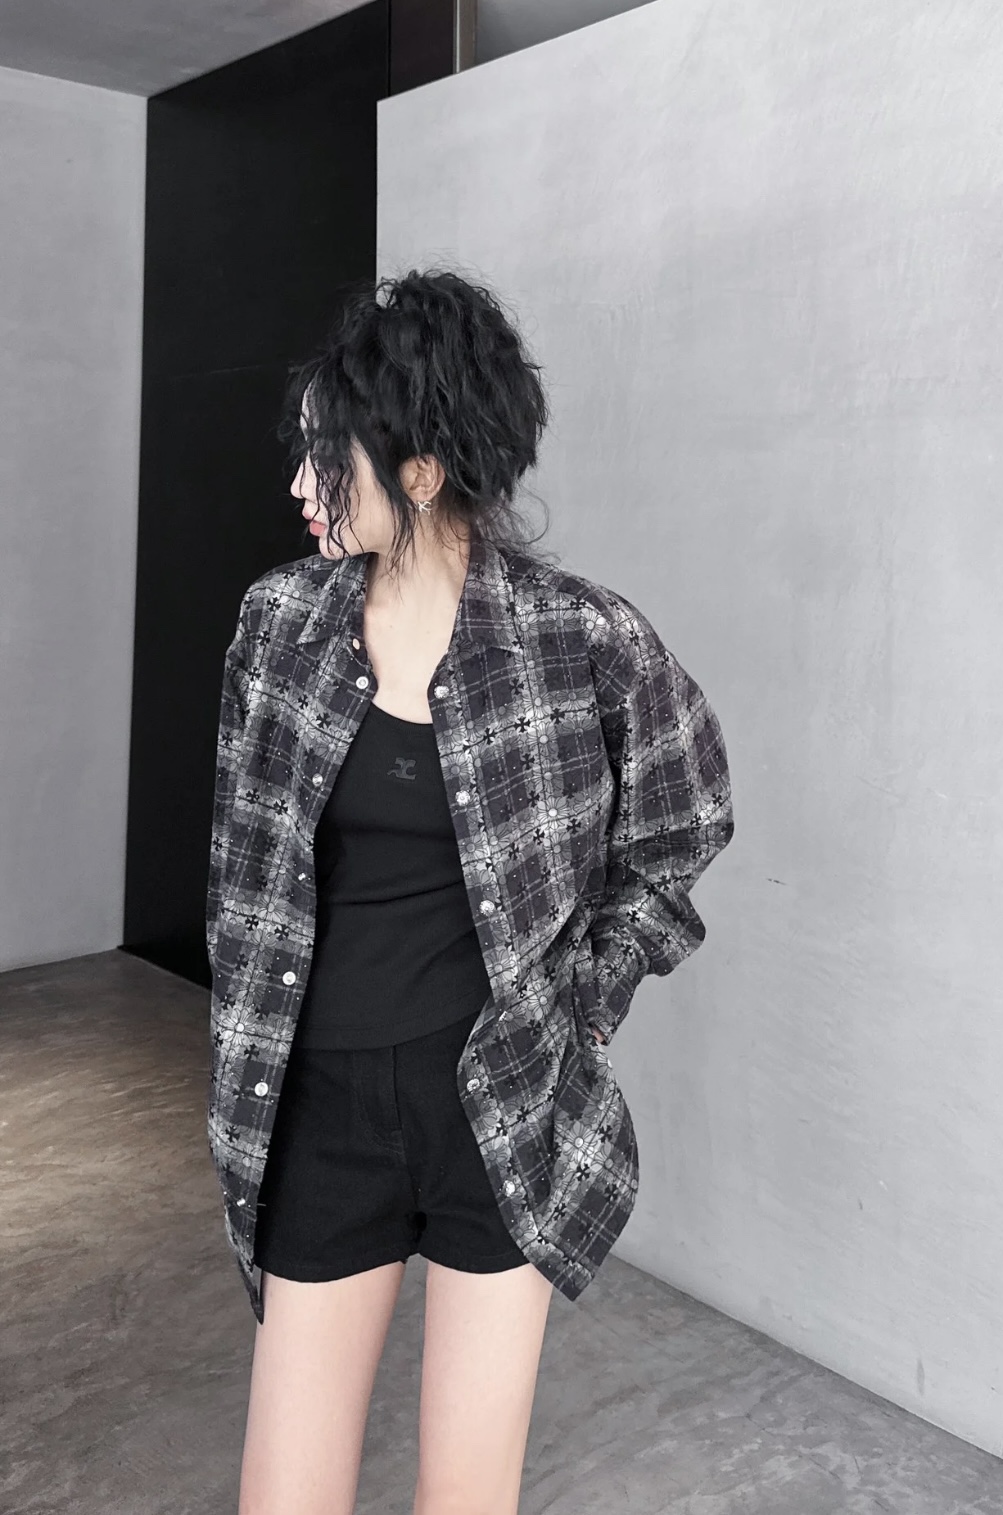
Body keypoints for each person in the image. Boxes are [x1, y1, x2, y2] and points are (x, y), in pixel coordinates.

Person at [205, 267, 735, 1515]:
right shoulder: (277, 629)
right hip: (322, 1106)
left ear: (424, 471)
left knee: (466, 1496)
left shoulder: (582, 641)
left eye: (327, 459)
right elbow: (241, 880)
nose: (301, 487)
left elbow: (684, 826)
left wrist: (582, 1002)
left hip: (500, 1104)